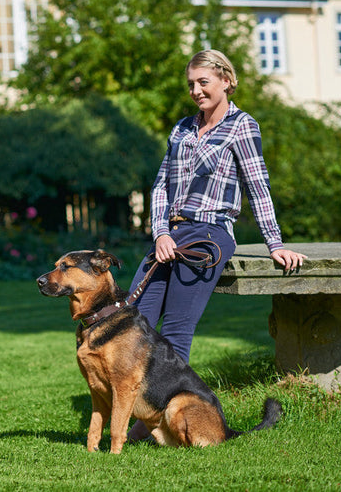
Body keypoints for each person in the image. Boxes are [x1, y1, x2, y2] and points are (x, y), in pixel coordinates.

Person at [126, 49, 306, 441]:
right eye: (191, 83)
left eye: (203, 82)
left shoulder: (243, 126)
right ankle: (134, 410)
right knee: (132, 319)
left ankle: (153, 421)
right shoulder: (182, 129)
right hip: (170, 233)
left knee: (174, 330)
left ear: (226, 80)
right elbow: (161, 185)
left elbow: (258, 187)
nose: (196, 90)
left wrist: (274, 243)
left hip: (209, 234)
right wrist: (160, 232)